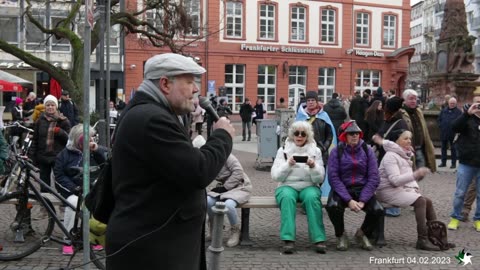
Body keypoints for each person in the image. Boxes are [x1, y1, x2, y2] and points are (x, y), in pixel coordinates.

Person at [105, 53, 235, 270]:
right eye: (190, 81)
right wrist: (222, 136)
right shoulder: (152, 119)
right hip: (152, 251)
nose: (196, 90)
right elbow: (198, 171)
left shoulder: (154, 113)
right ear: (165, 83)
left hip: (159, 245)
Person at [373, 130, 451, 251]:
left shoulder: (405, 154)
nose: (409, 141)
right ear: (396, 141)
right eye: (405, 138)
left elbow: (407, 180)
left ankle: (435, 237)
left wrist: (414, 189)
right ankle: (422, 240)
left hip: (397, 190)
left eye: (410, 138)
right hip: (386, 192)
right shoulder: (391, 156)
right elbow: (395, 180)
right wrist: (416, 174)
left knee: (427, 201)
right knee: (420, 201)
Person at [325, 120, 383, 251]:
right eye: (351, 133)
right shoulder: (336, 151)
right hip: (342, 188)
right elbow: (333, 178)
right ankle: (340, 234)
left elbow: (374, 177)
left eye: (357, 133)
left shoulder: (367, 150)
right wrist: (348, 200)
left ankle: (362, 233)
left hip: (362, 188)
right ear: (345, 136)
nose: (355, 136)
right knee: (333, 206)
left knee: (378, 210)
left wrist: (363, 200)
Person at [271, 121, 326, 254]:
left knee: (313, 198)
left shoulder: (315, 151)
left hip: (309, 185)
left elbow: (320, 178)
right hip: (287, 185)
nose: (299, 136)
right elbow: (276, 176)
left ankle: (318, 239)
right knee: (287, 198)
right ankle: (288, 239)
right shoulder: (283, 150)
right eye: (296, 133)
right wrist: (287, 165)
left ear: (308, 136)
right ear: (292, 135)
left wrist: (314, 167)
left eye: (303, 134)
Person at [54, 124, 107, 255]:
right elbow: (59, 176)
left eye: (91, 138)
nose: (90, 141)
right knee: (74, 204)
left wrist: (97, 151)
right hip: (72, 190)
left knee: (99, 203)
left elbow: (105, 166)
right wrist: (74, 188)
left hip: (91, 189)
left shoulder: (93, 151)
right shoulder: (64, 155)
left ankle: (94, 239)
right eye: (87, 138)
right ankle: (68, 239)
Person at [447, 96, 480, 231]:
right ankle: (455, 217)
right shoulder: (467, 118)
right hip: (467, 162)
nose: (479, 105)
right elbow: (454, 127)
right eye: (477, 103)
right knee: (460, 192)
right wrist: (467, 114)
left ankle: (478, 219)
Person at [206, 153, 252, 247]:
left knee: (228, 205)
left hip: (241, 186)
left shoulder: (227, 156)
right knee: (208, 201)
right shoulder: (208, 159)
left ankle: (235, 231)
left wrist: (225, 187)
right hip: (224, 188)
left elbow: (238, 172)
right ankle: (214, 229)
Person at [29, 95, 71, 192]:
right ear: (45, 107)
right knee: (44, 184)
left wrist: (60, 132)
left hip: (58, 156)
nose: (50, 107)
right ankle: (45, 204)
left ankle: (63, 202)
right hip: (43, 156)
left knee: (60, 183)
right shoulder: (40, 120)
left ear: (56, 107)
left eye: (52, 105)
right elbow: (35, 139)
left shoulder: (63, 120)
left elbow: (69, 140)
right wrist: (32, 156)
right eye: (48, 105)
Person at [295, 91, 336, 167]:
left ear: (317, 102)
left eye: (313, 100)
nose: (310, 102)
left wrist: (323, 148)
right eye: (308, 100)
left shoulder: (324, 116)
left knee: (320, 175)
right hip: (304, 153)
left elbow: (330, 136)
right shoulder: (300, 116)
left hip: (321, 153)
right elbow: (295, 135)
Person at [400, 89, 436, 172]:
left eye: (415, 99)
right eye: (411, 99)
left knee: (420, 170)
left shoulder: (418, 111)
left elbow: (424, 129)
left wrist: (429, 143)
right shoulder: (401, 113)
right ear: (404, 100)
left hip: (420, 146)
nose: (413, 101)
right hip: (408, 148)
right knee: (410, 172)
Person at [437, 97, 462, 169]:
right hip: (444, 132)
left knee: (453, 149)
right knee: (443, 148)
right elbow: (439, 119)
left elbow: (460, 122)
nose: (452, 104)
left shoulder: (458, 112)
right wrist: (440, 126)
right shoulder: (443, 110)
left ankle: (453, 163)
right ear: (448, 103)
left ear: (456, 103)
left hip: (453, 133)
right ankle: (443, 162)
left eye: (453, 103)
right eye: (451, 103)